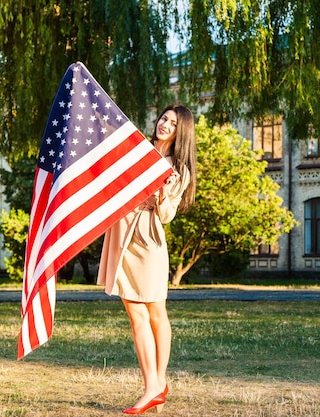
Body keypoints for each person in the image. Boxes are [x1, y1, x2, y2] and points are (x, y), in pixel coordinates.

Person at [97, 104, 197, 414]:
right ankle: (153, 385)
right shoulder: (138, 148)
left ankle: (157, 383)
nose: (165, 124)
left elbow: (166, 216)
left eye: (173, 123)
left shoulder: (178, 168)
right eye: (164, 118)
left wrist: (165, 192)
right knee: (134, 313)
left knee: (155, 311)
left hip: (148, 240)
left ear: (182, 132)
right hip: (122, 235)